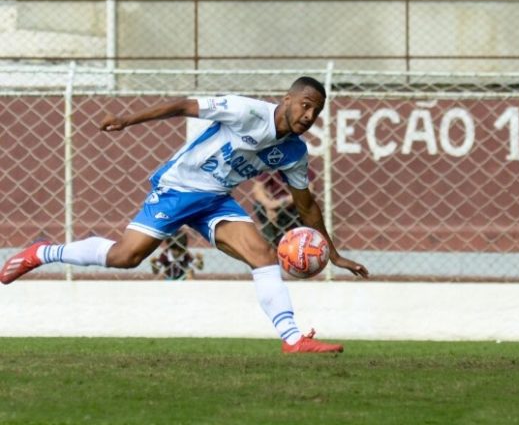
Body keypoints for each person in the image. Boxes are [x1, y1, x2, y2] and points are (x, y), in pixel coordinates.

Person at [1, 76, 369, 354]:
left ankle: (293, 339)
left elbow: (306, 205)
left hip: (216, 200)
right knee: (125, 257)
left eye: (316, 111)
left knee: (261, 254)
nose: (309, 115)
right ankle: (41, 252)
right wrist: (128, 120)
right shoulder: (246, 111)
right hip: (179, 188)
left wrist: (333, 255)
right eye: (305, 105)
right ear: (287, 99)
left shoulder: (293, 152)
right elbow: (184, 106)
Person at [252, 171, 303, 248]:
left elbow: (309, 190)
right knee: (258, 205)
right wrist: (268, 205)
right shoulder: (273, 168)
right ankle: (271, 239)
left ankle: (286, 239)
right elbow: (257, 188)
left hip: (294, 207)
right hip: (274, 206)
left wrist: (278, 204)